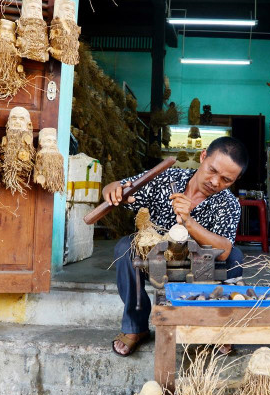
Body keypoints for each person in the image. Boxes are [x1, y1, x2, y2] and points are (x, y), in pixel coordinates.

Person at [104, 136, 249, 356]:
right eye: (212, 170)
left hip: (198, 270)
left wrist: (188, 221)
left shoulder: (228, 203)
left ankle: (219, 329)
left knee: (234, 256)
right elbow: (124, 187)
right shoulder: (166, 178)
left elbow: (224, 250)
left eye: (226, 180)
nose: (216, 182)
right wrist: (113, 188)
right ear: (202, 156)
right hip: (157, 262)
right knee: (126, 247)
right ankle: (136, 327)